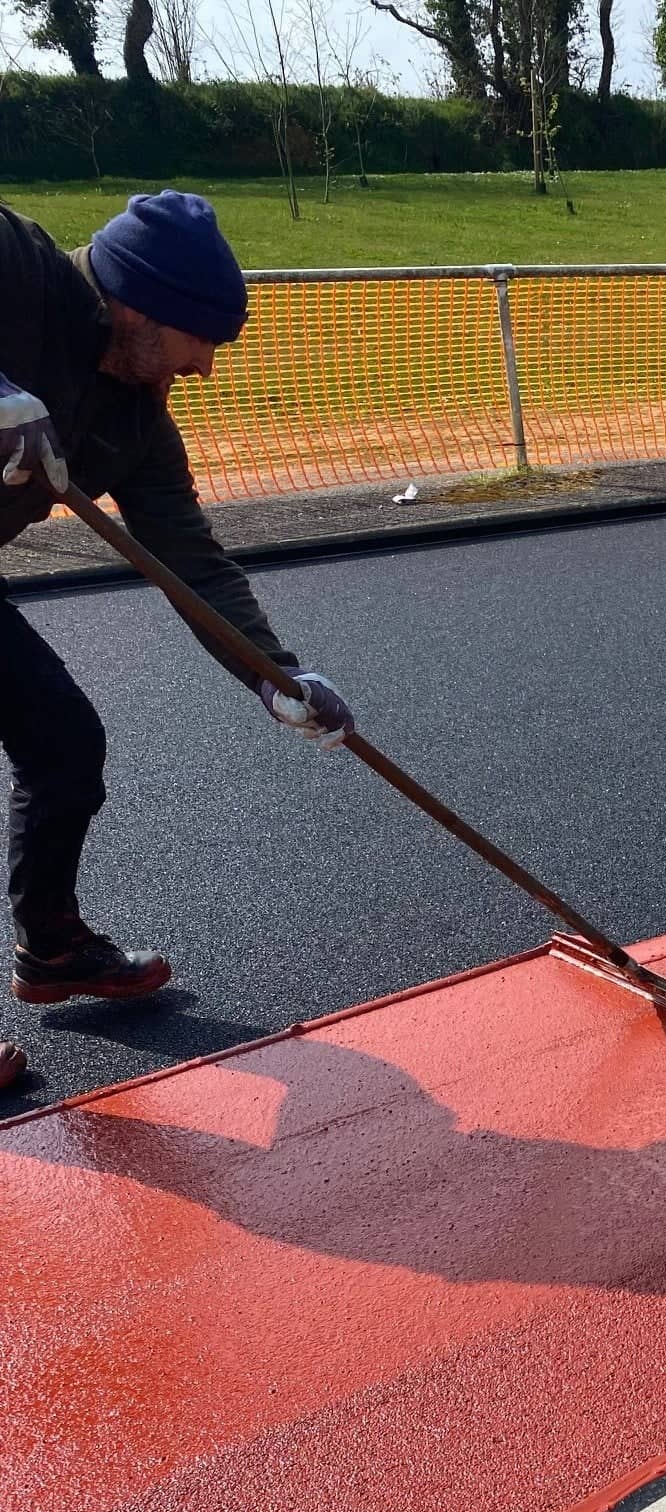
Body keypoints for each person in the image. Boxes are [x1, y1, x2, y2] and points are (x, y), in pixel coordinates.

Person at [0, 191, 355, 1094]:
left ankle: (53, 949)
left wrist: (275, 675)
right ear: (140, 306)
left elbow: (190, 558)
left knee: (64, 745)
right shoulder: (24, 272)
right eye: (202, 339)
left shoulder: (135, 418)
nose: (203, 368)